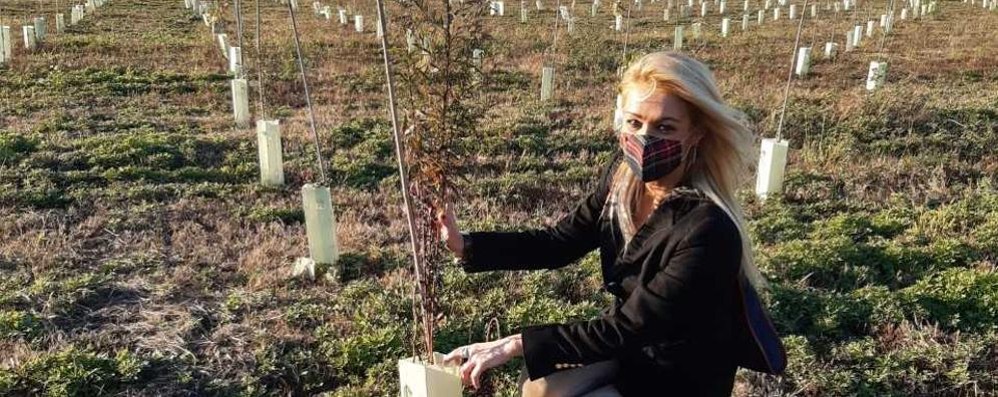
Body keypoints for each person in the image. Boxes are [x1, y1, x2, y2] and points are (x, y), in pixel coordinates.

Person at [438, 51, 787, 396]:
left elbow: (632, 325)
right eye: (635, 123)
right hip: (632, 350)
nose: (645, 138)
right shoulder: (622, 181)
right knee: (537, 388)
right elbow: (557, 242)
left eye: (665, 127)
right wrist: (466, 245)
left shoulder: (708, 229)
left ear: (696, 134)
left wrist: (515, 343)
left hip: (680, 374)